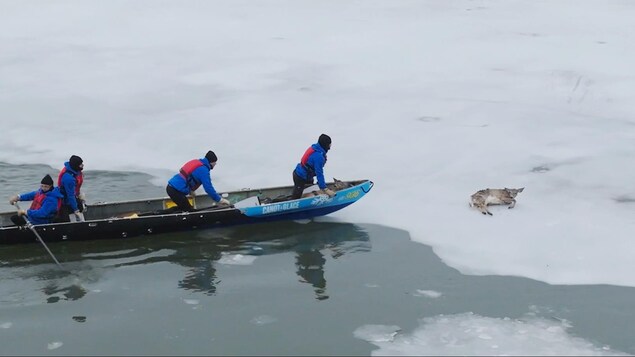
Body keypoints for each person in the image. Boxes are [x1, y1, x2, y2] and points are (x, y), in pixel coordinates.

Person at [166, 150, 230, 212]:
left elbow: (187, 176)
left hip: (171, 187)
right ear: (211, 162)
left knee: (184, 207)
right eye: (215, 162)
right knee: (189, 210)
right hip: (175, 190)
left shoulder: (196, 162)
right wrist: (220, 200)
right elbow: (208, 188)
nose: (215, 164)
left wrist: (191, 190)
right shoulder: (204, 170)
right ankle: (160, 214)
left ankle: (160, 213)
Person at [291, 134, 336, 199]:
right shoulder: (318, 157)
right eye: (329, 144)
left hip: (307, 177)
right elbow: (319, 173)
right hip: (300, 177)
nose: (330, 146)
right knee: (296, 198)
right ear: (326, 145)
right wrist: (325, 189)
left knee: (309, 192)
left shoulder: (317, 148)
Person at [58, 155, 86, 222]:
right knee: (74, 216)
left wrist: (79, 194)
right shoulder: (69, 179)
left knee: (80, 206)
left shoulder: (74, 171)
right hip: (66, 201)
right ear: (76, 166)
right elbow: (70, 196)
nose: (82, 165)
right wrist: (75, 209)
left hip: (73, 196)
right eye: (80, 164)